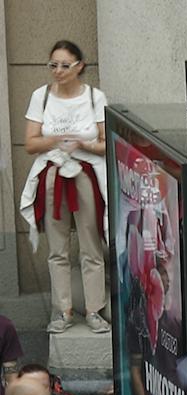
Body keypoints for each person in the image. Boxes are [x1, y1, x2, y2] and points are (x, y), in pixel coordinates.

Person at [22, 40, 109, 333]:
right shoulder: (41, 96)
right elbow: (31, 143)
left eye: (64, 65)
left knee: (91, 245)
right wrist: (58, 141)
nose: (58, 71)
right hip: (53, 173)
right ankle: (64, 311)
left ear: (79, 67)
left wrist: (83, 143)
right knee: (57, 248)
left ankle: (95, 310)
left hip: (85, 173)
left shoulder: (95, 98)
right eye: (53, 65)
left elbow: (106, 143)